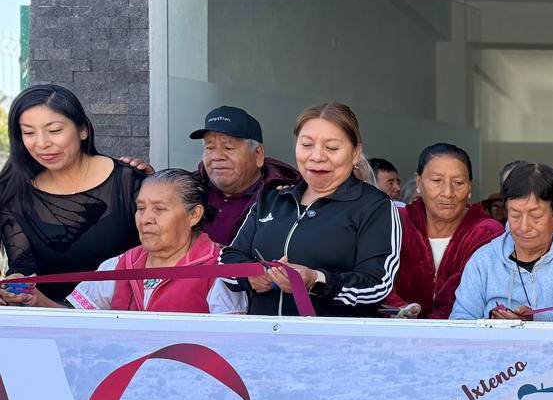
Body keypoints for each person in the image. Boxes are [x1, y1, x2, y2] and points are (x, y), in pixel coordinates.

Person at [220, 102, 401, 316]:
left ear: (355, 153)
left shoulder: (374, 206)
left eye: (332, 148)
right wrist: (251, 275)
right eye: (306, 145)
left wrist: (315, 280)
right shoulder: (273, 199)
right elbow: (227, 259)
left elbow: (377, 284)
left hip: (335, 345)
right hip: (265, 342)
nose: (316, 156)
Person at [16, 170, 246, 314]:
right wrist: (36, 299)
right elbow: (77, 321)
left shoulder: (221, 269)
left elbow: (232, 343)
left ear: (194, 215)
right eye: (141, 208)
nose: (145, 219)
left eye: (159, 209)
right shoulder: (121, 264)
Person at [0, 84, 145, 306]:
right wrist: (16, 286)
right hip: (52, 322)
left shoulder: (128, 180)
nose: (42, 143)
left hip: (126, 321)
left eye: (55, 130)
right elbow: (23, 266)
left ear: (83, 130)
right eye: (29, 132)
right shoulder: (14, 193)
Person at [450, 163, 553, 322]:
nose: (524, 227)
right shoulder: (484, 259)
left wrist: (534, 319)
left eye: (536, 216)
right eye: (516, 215)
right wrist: (491, 323)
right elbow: (460, 320)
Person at [393, 143, 503, 318]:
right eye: (437, 181)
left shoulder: (487, 232)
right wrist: (398, 309)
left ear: (469, 188)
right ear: (419, 183)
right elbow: (376, 278)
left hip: (459, 334)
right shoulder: (397, 223)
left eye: (458, 183)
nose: (448, 192)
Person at [191, 105, 301, 246]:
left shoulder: (287, 198)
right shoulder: (188, 190)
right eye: (209, 148)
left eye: (228, 148)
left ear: (258, 154)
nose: (216, 157)